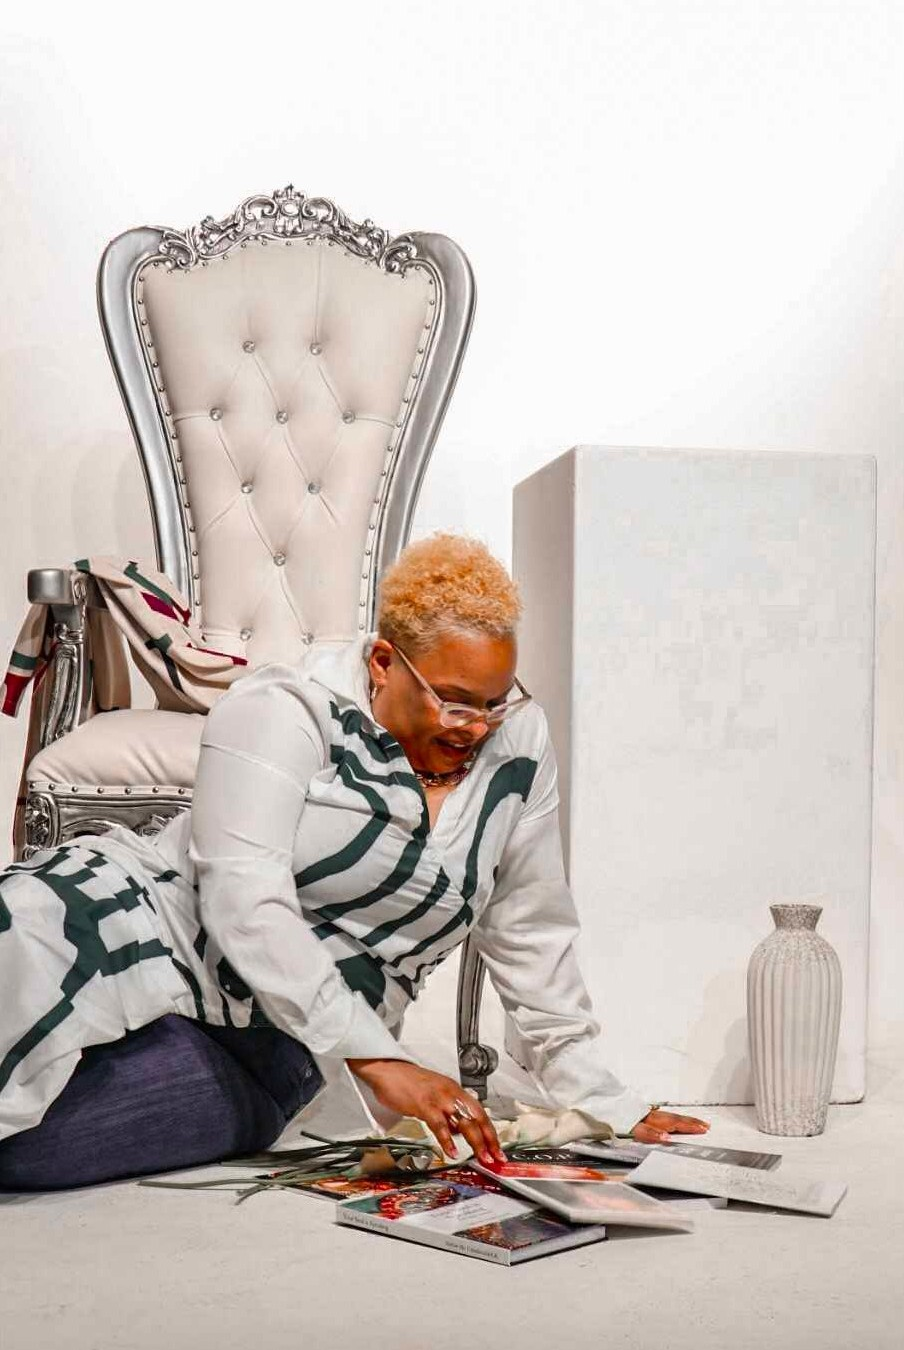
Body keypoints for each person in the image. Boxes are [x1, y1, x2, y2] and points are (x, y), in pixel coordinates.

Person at [0, 533, 707, 1189]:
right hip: (127, 928)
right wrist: (382, 1060)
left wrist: (603, 1101)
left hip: (276, 1046)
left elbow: (531, 927)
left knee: (30, 1154)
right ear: (384, 663)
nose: (476, 728)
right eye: (455, 702)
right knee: (19, 951)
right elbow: (243, 899)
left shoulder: (516, 745)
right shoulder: (285, 707)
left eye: (494, 703)